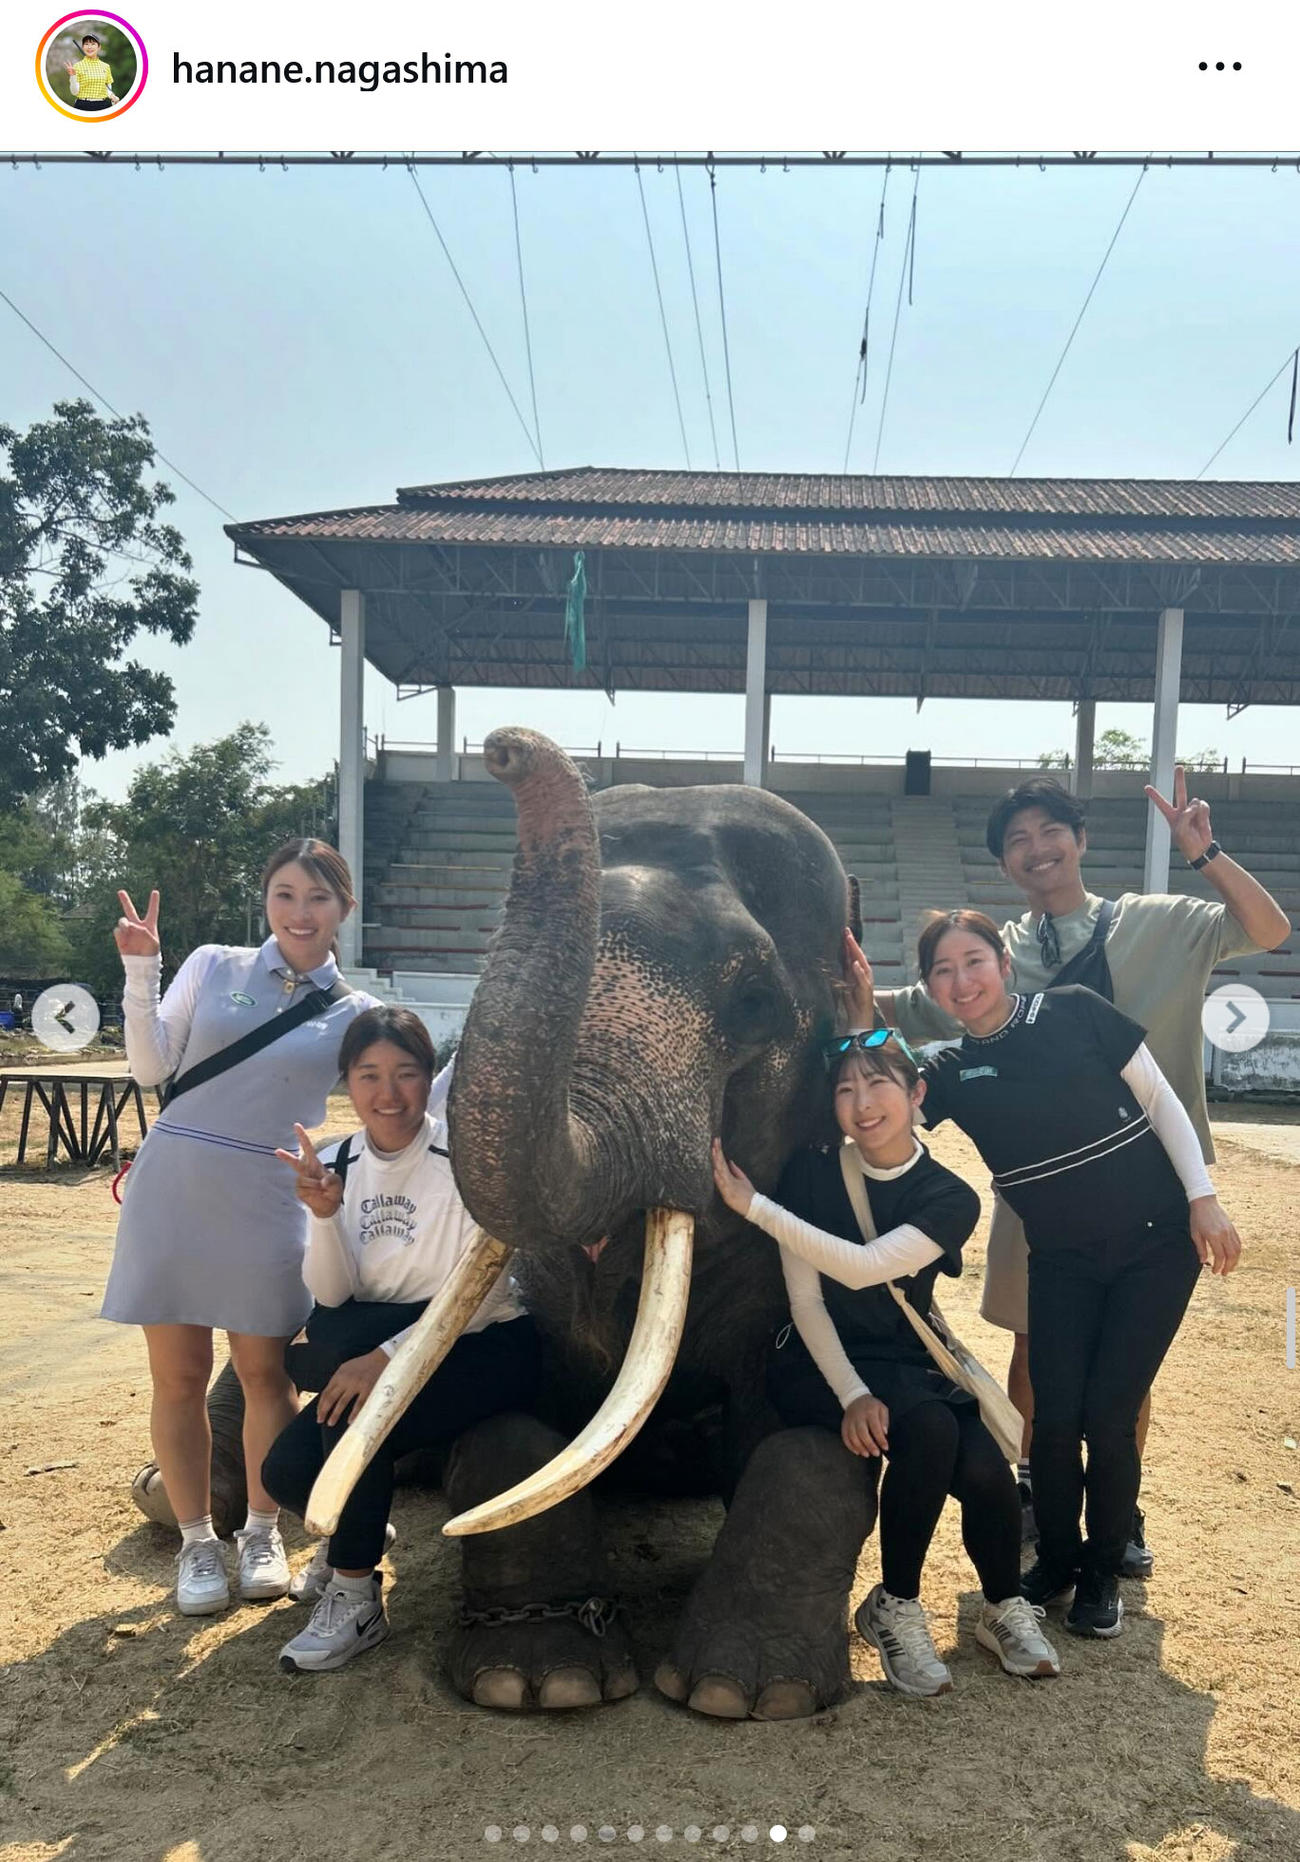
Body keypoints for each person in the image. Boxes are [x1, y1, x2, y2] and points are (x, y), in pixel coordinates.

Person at [873, 769, 1288, 1572]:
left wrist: (1207, 855)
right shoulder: (997, 952)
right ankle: (1040, 1496)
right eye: (1017, 841)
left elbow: (1268, 931)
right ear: (1003, 865)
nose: (1036, 850)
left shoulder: (1162, 921)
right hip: (1040, 1188)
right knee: (1035, 1350)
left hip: (1152, 1182)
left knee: (1123, 1365)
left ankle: (1117, 1514)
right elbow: (903, 1004)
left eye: (1048, 832)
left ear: (1081, 840)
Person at [862, 910, 1241, 1639]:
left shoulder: (1073, 1011)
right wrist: (860, 1005)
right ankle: (1062, 1560)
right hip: (1063, 1256)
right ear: (931, 987)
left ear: (1003, 962)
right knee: (1055, 1420)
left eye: (973, 961)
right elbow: (881, 1088)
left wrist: (1203, 1199)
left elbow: (1161, 1101)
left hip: (1154, 1244)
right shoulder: (945, 1071)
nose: (961, 980)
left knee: (1108, 1414)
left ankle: (1103, 1571)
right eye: (943, 970)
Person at [711, 1035, 1060, 1697]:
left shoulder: (952, 1196)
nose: (862, 1104)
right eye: (845, 1089)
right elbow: (807, 1299)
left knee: (988, 1471)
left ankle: (1003, 1606)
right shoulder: (811, 1173)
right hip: (819, 1360)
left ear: (917, 1095)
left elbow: (865, 1270)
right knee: (928, 1427)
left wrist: (754, 1208)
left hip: (903, 1357)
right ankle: (894, 1604)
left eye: (879, 1086)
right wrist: (850, 1394)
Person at [100, 840, 384, 1617]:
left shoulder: (356, 1015)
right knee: (179, 1379)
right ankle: (198, 1542)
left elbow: (391, 1102)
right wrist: (140, 972)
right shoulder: (214, 964)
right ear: (267, 899)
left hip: (269, 1195)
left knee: (265, 1376)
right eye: (285, 894)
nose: (300, 912)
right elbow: (150, 1067)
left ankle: (262, 1531)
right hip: (176, 1183)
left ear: (344, 910)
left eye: (318, 898)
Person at [264, 1007, 540, 1675]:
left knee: (357, 1405)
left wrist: (383, 1360)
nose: (389, 1095)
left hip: (479, 1339)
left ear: (430, 1079)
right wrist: (324, 1217)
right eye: (369, 1076)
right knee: (285, 1473)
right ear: (347, 1083)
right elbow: (332, 1295)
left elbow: (488, 1294)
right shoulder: (335, 1160)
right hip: (377, 1335)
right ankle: (361, 1526)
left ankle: (356, 1595)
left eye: (406, 1074)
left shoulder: (473, 1160)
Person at [64, 32, 119, 110]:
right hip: (83, 105)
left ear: (99, 47)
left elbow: (108, 87)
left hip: (103, 105)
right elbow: (74, 92)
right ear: (83, 47)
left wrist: (112, 96)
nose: (89, 47)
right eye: (86, 44)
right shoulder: (77, 66)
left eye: (93, 44)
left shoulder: (106, 66)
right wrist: (73, 76)